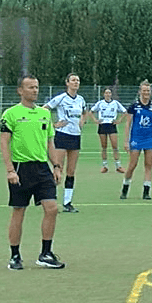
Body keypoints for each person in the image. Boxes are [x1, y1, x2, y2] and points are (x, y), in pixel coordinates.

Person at [0, 75, 65, 270]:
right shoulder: (11, 114)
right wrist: (10, 170)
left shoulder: (44, 114)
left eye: (36, 87)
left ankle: (45, 253)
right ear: (20, 90)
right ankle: (15, 256)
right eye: (30, 87)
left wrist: (56, 166)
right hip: (21, 168)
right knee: (19, 211)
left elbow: (50, 142)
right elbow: (4, 142)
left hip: (42, 168)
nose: (35, 90)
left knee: (52, 208)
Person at [43, 73, 88, 213]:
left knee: (71, 171)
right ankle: (51, 200)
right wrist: (53, 125)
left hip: (76, 136)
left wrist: (82, 120)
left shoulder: (81, 99)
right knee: (58, 169)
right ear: (67, 83)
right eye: (73, 80)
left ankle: (67, 202)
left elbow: (85, 112)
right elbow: (44, 109)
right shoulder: (61, 98)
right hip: (62, 135)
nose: (76, 82)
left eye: (78, 80)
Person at [121, 80, 152, 200]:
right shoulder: (134, 106)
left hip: (150, 138)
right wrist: (126, 141)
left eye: (148, 91)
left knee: (148, 165)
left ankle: (146, 191)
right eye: (144, 90)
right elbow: (128, 124)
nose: (146, 93)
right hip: (136, 139)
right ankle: (125, 187)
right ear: (140, 91)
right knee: (132, 165)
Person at [89, 87, 127, 174]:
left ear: (111, 94)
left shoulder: (115, 103)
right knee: (104, 147)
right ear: (104, 94)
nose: (108, 94)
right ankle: (104, 166)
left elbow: (125, 112)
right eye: (106, 93)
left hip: (111, 125)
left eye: (109, 93)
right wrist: (95, 120)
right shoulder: (100, 103)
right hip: (102, 125)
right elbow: (91, 112)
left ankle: (118, 166)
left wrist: (119, 120)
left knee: (115, 146)